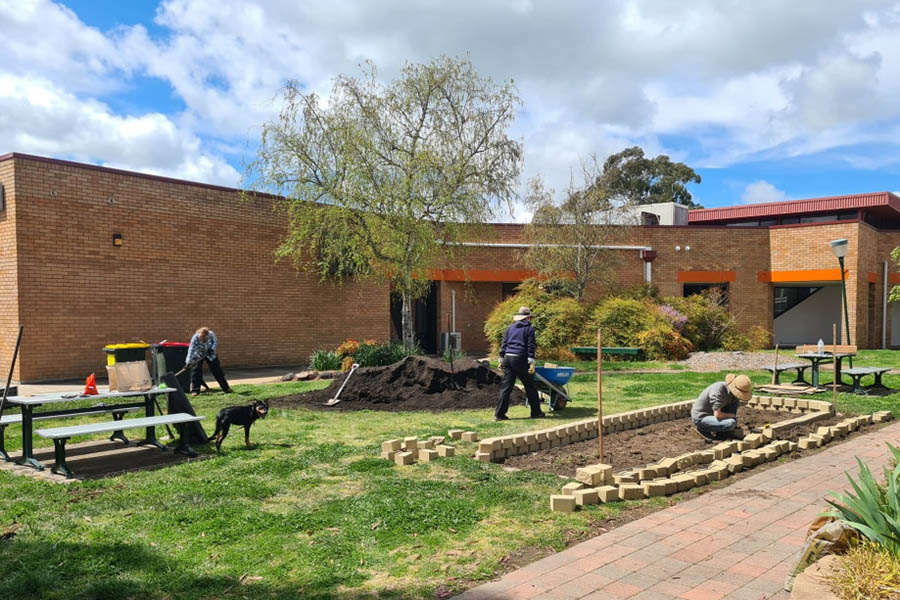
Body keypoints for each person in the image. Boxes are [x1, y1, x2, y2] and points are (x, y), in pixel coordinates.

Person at [495, 306, 544, 421]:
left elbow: (504, 343)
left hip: (507, 358)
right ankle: (536, 412)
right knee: (530, 386)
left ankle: (499, 414)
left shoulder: (510, 328)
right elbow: (531, 346)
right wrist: (531, 361)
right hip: (520, 359)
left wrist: (501, 359)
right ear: (528, 318)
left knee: (506, 388)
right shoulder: (529, 329)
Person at [690, 373, 752, 441]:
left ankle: (723, 432)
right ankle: (702, 428)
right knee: (731, 423)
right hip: (702, 417)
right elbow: (717, 414)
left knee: (735, 402)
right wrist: (732, 416)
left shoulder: (733, 395)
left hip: (714, 414)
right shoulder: (718, 390)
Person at [186, 327, 234, 396]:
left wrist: (212, 349)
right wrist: (188, 362)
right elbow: (191, 350)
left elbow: (216, 341)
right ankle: (195, 391)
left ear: (207, 336)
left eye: (203, 339)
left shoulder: (211, 334)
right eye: (200, 339)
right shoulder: (195, 338)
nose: (202, 340)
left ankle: (226, 388)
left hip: (211, 354)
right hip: (198, 355)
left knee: (217, 371)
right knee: (196, 372)